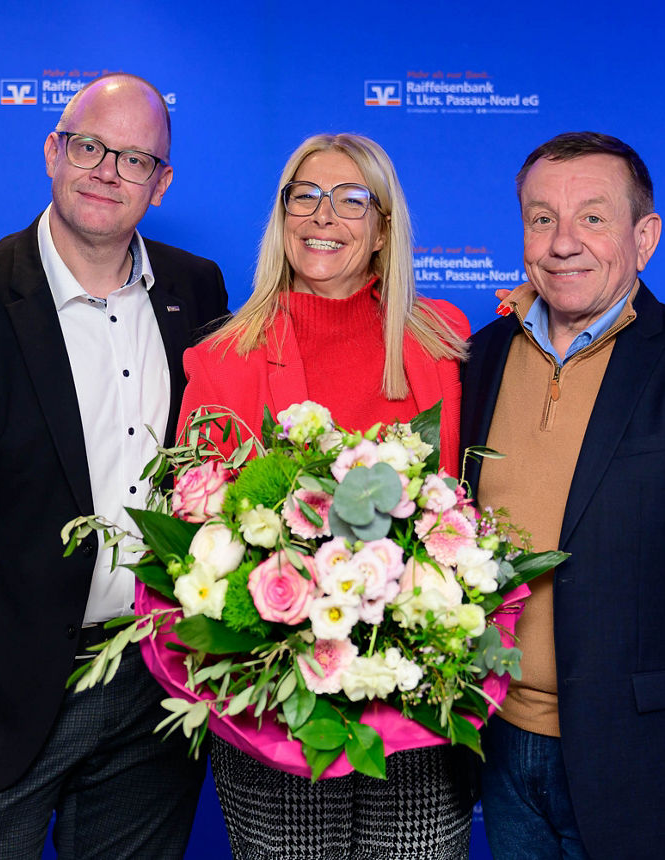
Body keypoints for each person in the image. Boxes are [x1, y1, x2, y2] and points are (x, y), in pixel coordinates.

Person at [0, 72, 228, 858]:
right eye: (89, 146)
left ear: (160, 186)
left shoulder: (196, 290)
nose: (106, 171)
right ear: (52, 152)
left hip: (156, 684)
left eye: (133, 159)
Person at [462, 132, 665, 860]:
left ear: (644, 238)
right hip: (498, 750)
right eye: (541, 218)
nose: (562, 243)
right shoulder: (478, 359)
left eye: (593, 218)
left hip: (647, 766)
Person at [178, 133, 473, 859]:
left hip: (414, 706)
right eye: (304, 196)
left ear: (382, 230)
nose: (323, 216)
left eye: (351, 200)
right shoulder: (220, 358)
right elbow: (195, 534)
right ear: (281, 218)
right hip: (275, 709)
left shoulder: (444, 342)